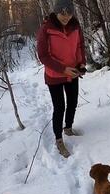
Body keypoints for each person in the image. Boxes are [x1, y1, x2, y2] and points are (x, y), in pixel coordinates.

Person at [36, 0, 86, 158]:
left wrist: (81, 63)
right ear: (55, 12)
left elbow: (80, 46)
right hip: (55, 75)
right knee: (60, 108)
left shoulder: (75, 26)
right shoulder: (46, 29)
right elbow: (43, 56)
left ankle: (68, 128)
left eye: (69, 13)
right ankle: (59, 140)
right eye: (62, 13)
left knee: (73, 103)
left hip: (73, 73)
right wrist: (63, 69)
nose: (65, 17)